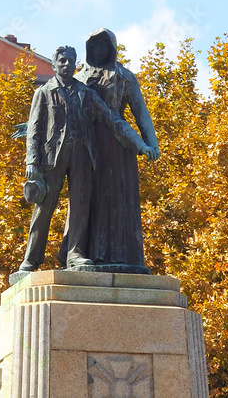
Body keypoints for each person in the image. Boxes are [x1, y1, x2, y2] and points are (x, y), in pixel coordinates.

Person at [18, 45, 154, 272]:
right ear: (54, 64)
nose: (66, 64)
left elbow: (114, 121)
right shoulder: (43, 92)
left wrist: (140, 145)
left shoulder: (86, 93)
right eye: (62, 60)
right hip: (52, 158)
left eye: (71, 61)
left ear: (75, 64)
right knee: (44, 209)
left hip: (82, 157)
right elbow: (34, 131)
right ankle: (31, 260)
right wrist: (31, 162)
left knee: (80, 207)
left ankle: (75, 254)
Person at [59, 29, 159, 270]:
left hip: (119, 145)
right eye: (93, 46)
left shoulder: (125, 77)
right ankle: (81, 252)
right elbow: (61, 108)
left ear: (112, 48)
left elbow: (141, 112)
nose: (97, 51)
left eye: (102, 46)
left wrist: (151, 143)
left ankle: (123, 256)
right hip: (87, 145)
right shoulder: (80, 77)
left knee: (117, 199)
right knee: (85, 197)